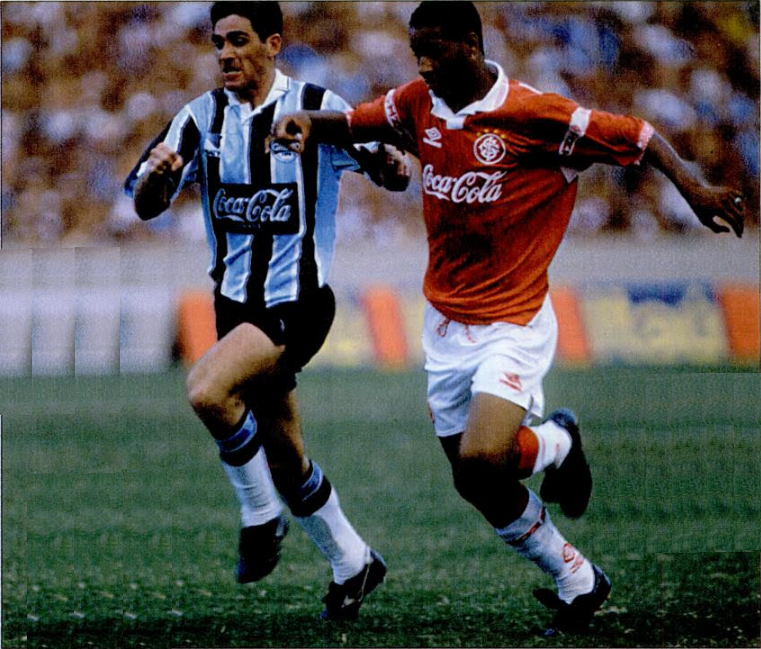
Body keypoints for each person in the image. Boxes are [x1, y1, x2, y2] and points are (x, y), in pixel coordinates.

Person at [272, 0, 746, 635]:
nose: (423, 64)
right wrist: (307, 123)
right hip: (445, 324)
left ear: (471, 43)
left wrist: (696, 191)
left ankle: (558, 442)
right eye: (416, 51)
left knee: (481, 459)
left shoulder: (532, 115)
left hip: (513, 322)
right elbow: (357, 122)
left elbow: (637, 136)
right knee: (476, 482)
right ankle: (577, 575)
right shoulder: (417, 102)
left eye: (435, 50)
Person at [124, 1, 410, 621]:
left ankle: (259, 519)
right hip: (234, 306)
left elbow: (393, 171)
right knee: (285, 458)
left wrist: (391, 164)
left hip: (297, 302)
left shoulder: (314, 105)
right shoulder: (198, 119)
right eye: (218, 42)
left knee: (206, 390)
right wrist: (156, 178)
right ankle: (354, 561)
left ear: (273, 43)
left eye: (238, 40)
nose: (225, 53)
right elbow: (144, 204)